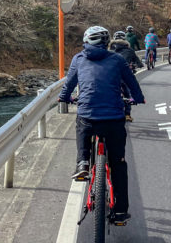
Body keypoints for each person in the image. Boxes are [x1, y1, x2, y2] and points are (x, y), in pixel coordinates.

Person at [58, 26, 145, 224]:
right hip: (114, 119)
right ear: (107, 43)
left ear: (86, 41)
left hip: (88, 117)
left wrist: (64, 97)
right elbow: (131, 82)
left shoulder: (78, 59)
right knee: (119, 165)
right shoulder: (117, 59)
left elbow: (69, 83)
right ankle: (121, 211)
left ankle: (83, 162)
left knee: (82, 123)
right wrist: (138, 98)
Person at [110, 31, 144, 122]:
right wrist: (140, 65)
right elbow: (137, 61)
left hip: (110, 76)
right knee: (127, 93)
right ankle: (127, 114)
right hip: (124, 76)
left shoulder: (108, 50)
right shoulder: (129, 50)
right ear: (125, 40)